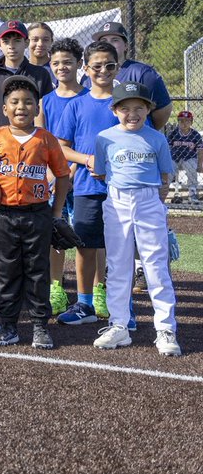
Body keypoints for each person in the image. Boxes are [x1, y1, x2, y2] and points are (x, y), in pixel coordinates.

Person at [0, 76, 70, 349]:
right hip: (3, 215)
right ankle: (9, 326)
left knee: (38, 271)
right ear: (5, 109)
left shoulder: (46, 139)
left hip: (37, 214)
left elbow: (63, 175)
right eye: (14, 102)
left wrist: (56, 212)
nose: (21, 107)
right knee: (7, 271)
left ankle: (40, 325)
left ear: (37, 109)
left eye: (28, 102)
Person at [91, 82, 181, 356]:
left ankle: (165, 329)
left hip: (148, 200)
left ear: (148, 109)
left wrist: (155, 205)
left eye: (139, 108)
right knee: (118, 265)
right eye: (125, 108)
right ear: (114, 110)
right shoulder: (104, 137)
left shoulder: (156, 138)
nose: (133, 114)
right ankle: (119, 325)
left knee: (155, 266)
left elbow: (165, 177)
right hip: (117, 201)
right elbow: (102, 172)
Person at [53, 41, 120, 326]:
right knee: (85, 246)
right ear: (86, 68)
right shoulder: (77, 105)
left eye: (110, 65)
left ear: (118, 67)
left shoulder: (126, 102)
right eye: (97, 66)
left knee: (121, 249)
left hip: (123, 190)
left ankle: (122, 306)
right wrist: (88, 160)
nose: (103, 70)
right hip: (87, 189)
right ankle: (84, 304)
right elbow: (61, 147)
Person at [34, 38, 87, 315]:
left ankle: (91, 292)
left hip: (82, 177)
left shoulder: (89, 97)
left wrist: (71, 171)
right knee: (55, 234)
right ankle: (56, 289)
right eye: (55, 63)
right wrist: (51, 174)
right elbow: (40, 142)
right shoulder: (45, 101)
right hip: (52, 179)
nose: (61, 67)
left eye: (67, 62)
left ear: (79, 64)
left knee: (85, 236)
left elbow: (89, 142)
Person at [0, 20, 55, 140]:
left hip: (33, 142)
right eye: (6, 41)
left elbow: (48, 114)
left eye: (17, 41)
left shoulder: (40, 74)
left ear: (26, 43)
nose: (11, 46)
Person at [93, 21, 173, 130]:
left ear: (126, 46)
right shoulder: (91, 74)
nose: (109, 44)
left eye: (115, 40)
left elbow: (163, 110)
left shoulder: (144, 73)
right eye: (104, 41)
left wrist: (147, 130)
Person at [168, 111, 201, 202]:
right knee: (168, 169)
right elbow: (167, 149)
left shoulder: (195, 135)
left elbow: (200, 150)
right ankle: (164, 191)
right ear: (178, 122)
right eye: (181, 121)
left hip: (189, 158)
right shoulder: (173, 133)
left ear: (191, 122)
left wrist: (200, 165)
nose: (184, 123)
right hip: (174, 158)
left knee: (192, 167)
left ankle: (192, 193)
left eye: (187, 121)